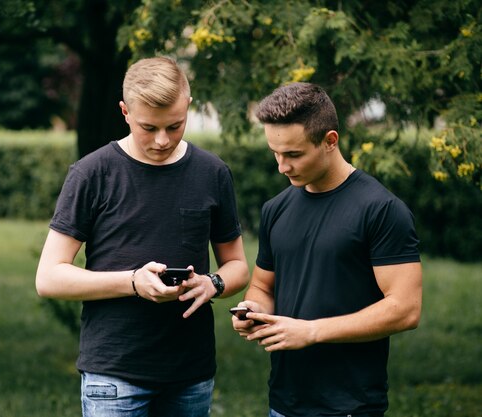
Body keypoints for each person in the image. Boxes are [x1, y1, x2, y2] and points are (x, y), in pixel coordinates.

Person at [36, 56, 249, 417]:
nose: (162, 140)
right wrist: (133, 282)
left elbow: (238, 266)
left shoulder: (212, 172)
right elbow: (49, 278)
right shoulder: (92, 173)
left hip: (191, 375)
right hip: (115, 374)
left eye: (175, 126)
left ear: (188, 106)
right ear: (125, 112)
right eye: (149, 128)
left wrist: (213, 283)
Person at [231, 82, 422, 417]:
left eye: (293, 154)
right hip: (283, 403)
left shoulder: (381, 210)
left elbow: (406, 309)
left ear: (330, 141)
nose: (282, 167)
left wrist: (312, 331)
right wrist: (254, 310)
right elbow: (263, 285)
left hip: (349, 406)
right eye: (275, 153)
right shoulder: (276, 208)